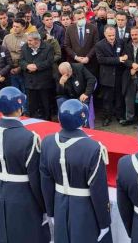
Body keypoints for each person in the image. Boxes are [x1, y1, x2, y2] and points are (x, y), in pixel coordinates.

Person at [0, 87, 50, 243]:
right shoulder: (29, 138)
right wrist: (44, 207)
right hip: (24, 197)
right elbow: (35, 178)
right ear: (19, 108)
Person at [39, 99, 112, 243]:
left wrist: (50, 211)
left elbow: (45, 182)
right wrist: (104, 222)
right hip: (84, 209)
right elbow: (99, 191)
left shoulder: (47, 142)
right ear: (83, 120)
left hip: (59, 204)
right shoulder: (93, 148)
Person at [94, 25, 127, 126]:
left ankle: (120, 116)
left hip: (118, 75)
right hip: (107, 76)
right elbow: (101, 60)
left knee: (119, 97)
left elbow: (124, 55)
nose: (112, 37)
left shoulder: (121, 42)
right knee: (107, 99)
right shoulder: (99, 45)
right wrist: (118, 59)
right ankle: (107, 117)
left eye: (113, 35)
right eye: (109, 35)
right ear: (105, 34)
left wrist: (124, 57)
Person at [20, 31, 56, 120]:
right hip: (30, 81)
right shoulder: (25, 47)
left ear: (37, 40)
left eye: (30, 40)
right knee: (32, 104)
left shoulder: (48, 48)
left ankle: (47, 120)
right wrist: (27, 66)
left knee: (45, 104)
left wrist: (37, 66)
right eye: (28, 40)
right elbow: (21, 61)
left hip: (44, 82)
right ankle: (33, 120)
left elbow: (49, 62)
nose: (28, 42)